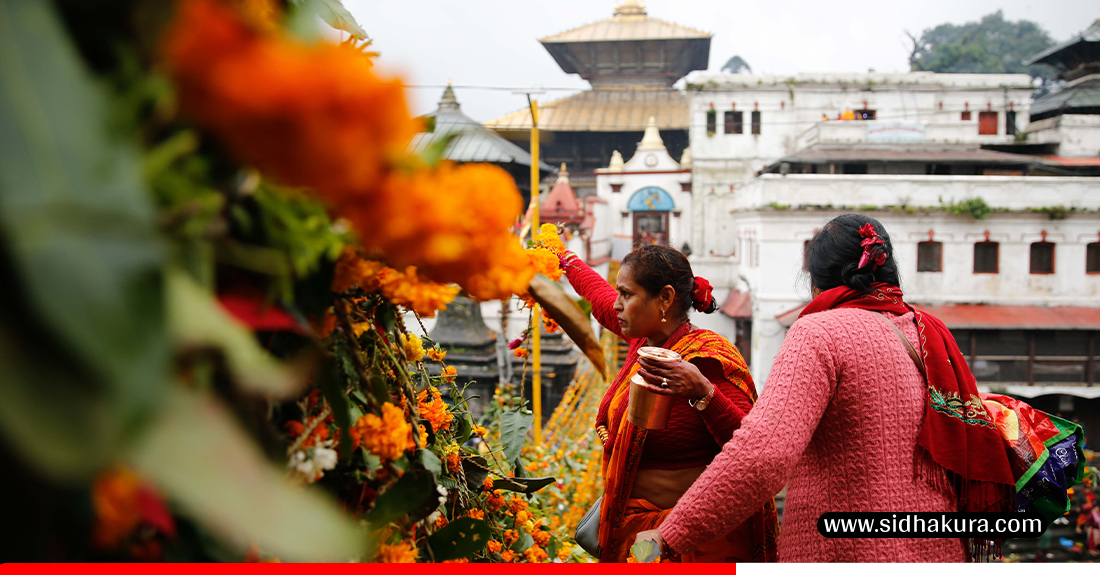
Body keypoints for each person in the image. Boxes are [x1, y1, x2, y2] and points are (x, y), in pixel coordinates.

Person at [635, 214, 1015, 562]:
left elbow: (763, 454)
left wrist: (671, 535)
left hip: (850, 553)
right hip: (939, 552)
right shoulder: (929, 331)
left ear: (816, 279)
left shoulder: (819, 332)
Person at [561, 245, 777, 563]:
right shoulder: (645, 341)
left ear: (664, 298)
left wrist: (704, 393)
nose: (618, 305)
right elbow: (600, 298)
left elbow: (756, 451)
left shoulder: (707, 358)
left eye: (627, 294)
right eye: (619, 293)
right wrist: (562, 259)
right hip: (636, 535)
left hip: (692, 542)